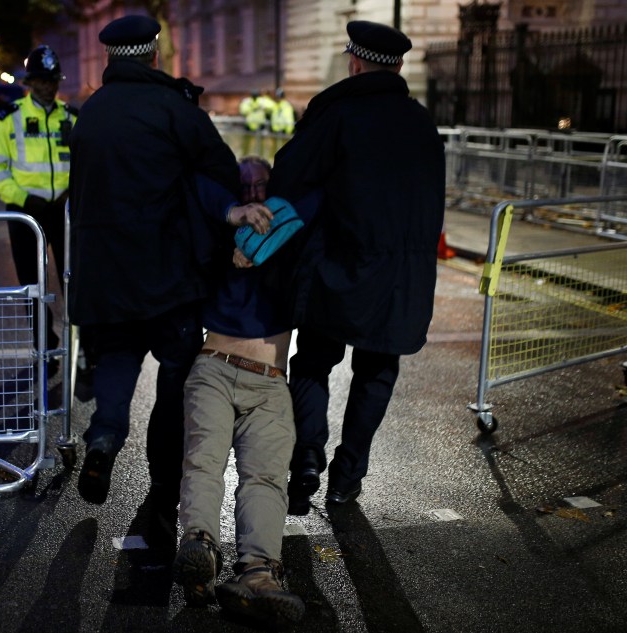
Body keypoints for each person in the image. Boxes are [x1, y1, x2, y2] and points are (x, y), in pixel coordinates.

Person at [67, 15, 270, 545]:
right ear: (154, 56)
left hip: (105, 278)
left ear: (112, 58)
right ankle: (161, 483)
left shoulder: (90, 115)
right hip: (166, 278)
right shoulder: (173, 110)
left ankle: (104, 441)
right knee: (175, 375)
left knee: (115, 362)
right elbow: (221, 172)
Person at [266, 20, 446, 514]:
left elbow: (289, 174)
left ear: (356, 62)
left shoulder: (337, 115)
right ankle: (348, 477)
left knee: (312, 362)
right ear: (399, 66)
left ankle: (307, 456)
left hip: (338, 267)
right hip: (400, 278)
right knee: (377, 370)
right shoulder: (420, 122)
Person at [173, 155, 308, 626]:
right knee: (204, 460)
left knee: (267, 479)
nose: (254, 195)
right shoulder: (216, 237)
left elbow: (319, 201)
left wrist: (264, 238)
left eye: (262, 186)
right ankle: (200, 548)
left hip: (270, 384)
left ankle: (258, 575)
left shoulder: (290, 240)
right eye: (244, 187)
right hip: (214, 367)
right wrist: (231, 219)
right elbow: (190, 183)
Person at [0, 45, 77, 360]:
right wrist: (23, 198)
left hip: (64, 213)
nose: (48, 87)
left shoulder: (71, 118)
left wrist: (72, 193)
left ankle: (82, 349)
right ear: (29, 83)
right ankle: (45, 348)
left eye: (52, 80)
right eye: (41, 81)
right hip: (26, 214)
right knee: (33, 286)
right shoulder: (10, 118)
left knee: (75, 282)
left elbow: (85, 166)